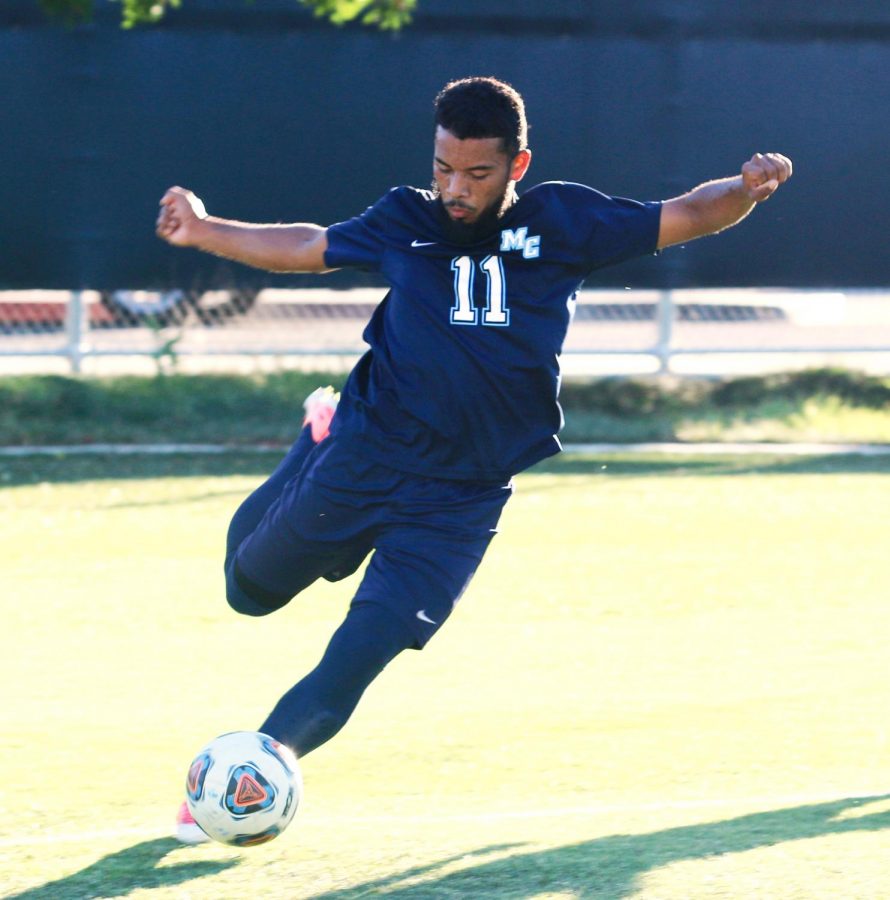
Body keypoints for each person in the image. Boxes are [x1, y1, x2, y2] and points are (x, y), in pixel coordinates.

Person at [157, 76, 792, 843]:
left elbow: (688, 213)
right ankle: (311, 438)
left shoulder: (565, 220)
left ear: (517, 166)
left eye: (477, 174)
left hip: (460, 501)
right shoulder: (404, 221)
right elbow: (302, 244)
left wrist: (746, 191)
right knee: (247, 594)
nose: (455, 190)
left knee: (359, 654)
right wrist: (202, 228)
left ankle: (250, 778)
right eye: (443, 169)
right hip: (366, 455)